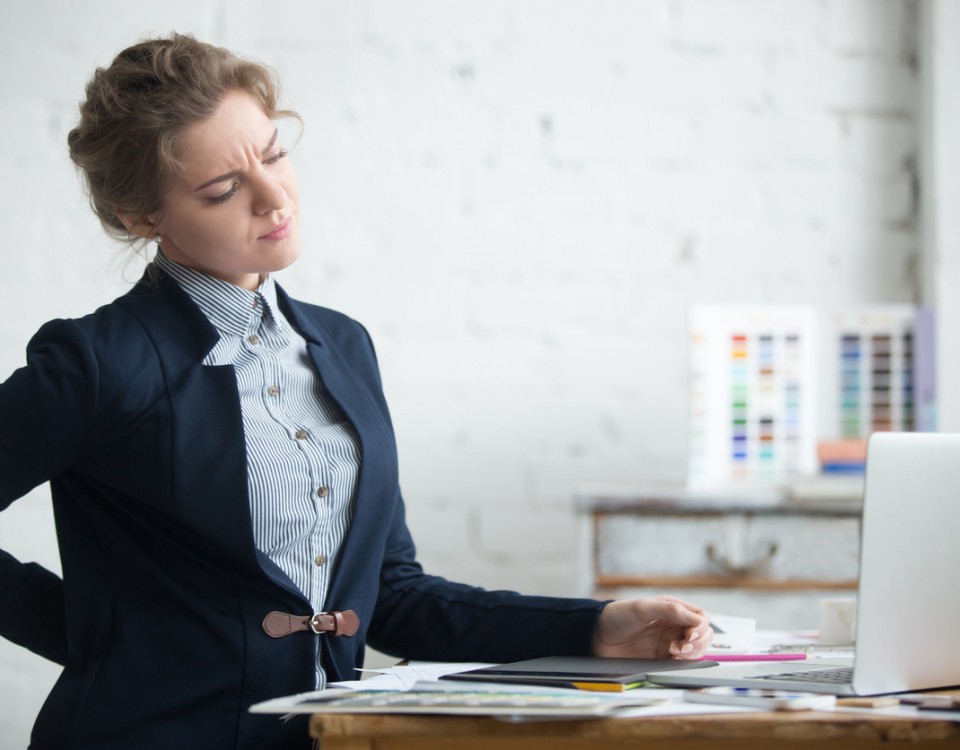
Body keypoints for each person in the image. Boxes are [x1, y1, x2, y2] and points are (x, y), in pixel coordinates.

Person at [0, 33, 713, 749]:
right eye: (223, 190)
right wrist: (95, 636)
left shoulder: (341, 347)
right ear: (143, 217)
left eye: (275, 154)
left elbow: (393, 596)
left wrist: (594, 626)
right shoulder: (97, 362)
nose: (275, 197)